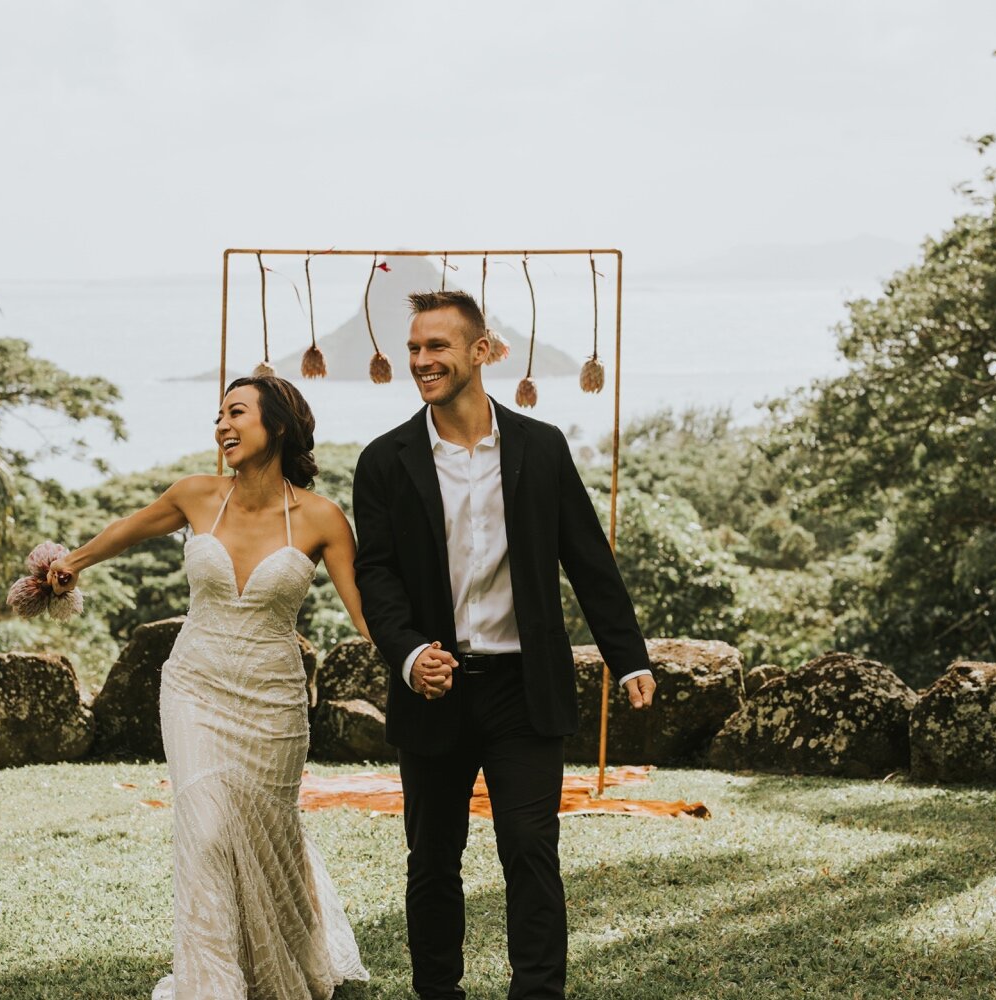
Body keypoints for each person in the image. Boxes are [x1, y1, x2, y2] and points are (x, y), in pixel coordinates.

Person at [352, 290, 658, 1000]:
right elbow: (377, 575)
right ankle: (439, 993)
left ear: (481, 350)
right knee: (431, 860)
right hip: (435, 687)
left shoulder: (540, 447)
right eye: (415, 349)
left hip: (526, 689)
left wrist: (629, 655)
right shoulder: (384, 461)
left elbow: (588, 558)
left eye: (438, 348)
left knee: (530, 849)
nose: (423, 361)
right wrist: (407, 656)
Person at [48, 375, 371, 1000]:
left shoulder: (322, 517)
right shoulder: (196, 496)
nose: (222, 425)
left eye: (237, 413)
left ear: (275, 426)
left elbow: (364, 612)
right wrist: (72, 563)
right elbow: (128, 529)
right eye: (218, 414)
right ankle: (211, 984)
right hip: (195, 687)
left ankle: (289, 963)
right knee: (206, 830)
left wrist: (417, 651)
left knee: (267, 830)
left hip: (274, 702)